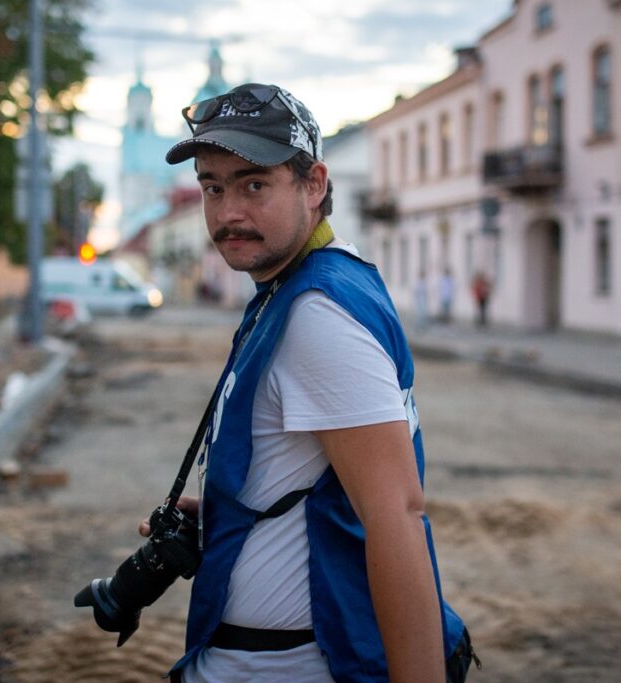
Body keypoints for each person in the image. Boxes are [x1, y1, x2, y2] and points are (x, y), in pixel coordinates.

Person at [149, 83, 472, 683]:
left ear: (314, 184)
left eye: (254, 184)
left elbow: (397, 514)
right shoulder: (301, 283)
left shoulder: (317, 312)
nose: (227, 213)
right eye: (213, 187)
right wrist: (230, 506)